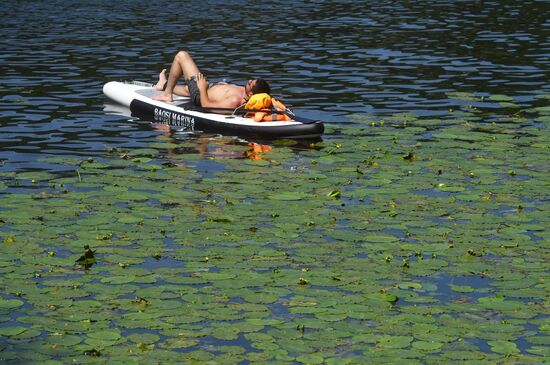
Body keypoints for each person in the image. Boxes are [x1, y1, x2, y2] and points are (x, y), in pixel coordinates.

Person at [152, 50, 271, 112]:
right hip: (209, 88)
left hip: (200, 94)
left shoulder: (235, 101)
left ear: (251, 94)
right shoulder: (247, 93)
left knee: (182, 56)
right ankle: (163, 84)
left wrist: (202, 88)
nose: (249, 80)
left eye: (250, 84)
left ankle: (167, 94)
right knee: (187, 89)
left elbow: (207, 106)